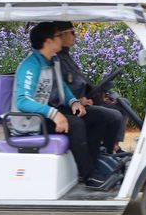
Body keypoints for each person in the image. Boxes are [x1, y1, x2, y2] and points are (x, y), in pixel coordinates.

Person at [11, 21, 118, 190]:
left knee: (99, 117)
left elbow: (63, 88)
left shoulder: (52, 61)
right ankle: (89, 176)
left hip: (45, 114)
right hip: (30, 121)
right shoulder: (31, 66)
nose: (62, 38)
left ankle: (93, 165)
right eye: (58, 36)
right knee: (75, 124)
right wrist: (54, 114)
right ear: (48, 41)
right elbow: (23, 101)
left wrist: (74, 101)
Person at [52, 21, 127, 155]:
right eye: (72, 33)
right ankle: (108, 153)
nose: (75, 36)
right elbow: (60, 90)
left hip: (83, 101)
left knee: (122, 104)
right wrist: (78, 101)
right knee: (114, 115)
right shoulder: (55, 59)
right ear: (62, 35)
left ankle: (113, 146)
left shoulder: (66, 56)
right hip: (71, 108)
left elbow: (81, 82)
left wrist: (100, 95)